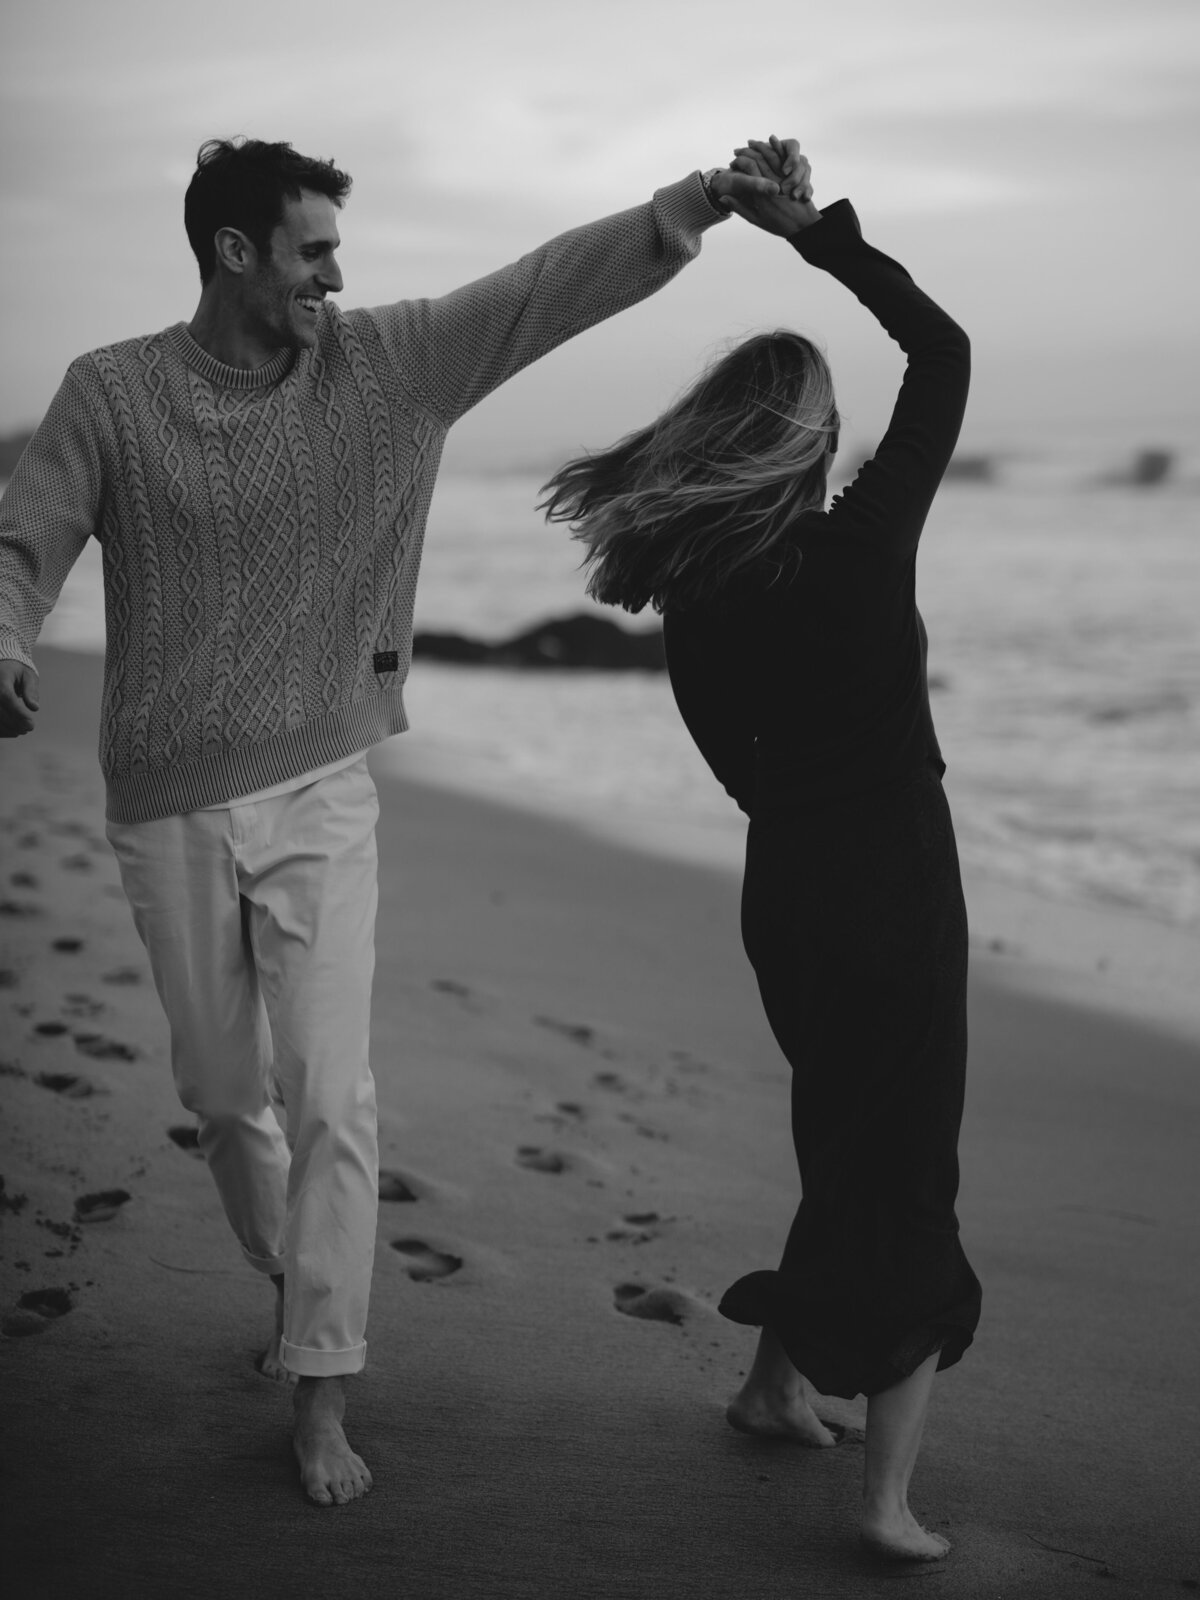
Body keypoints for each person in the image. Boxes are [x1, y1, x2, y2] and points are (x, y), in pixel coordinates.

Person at [0, 134, 796, 1507]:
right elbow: (28, 538)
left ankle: (322, 1383)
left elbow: (548, 287)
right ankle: (288, 1275)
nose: (336, 273)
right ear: (235, 254)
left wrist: (698, 206)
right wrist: (8, 641)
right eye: (312, 249)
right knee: (221, 1095)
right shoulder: (113, 396)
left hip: (322, 786)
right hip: (167, 799)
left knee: (331, 1095)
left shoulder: (391, 366)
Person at [541, 138, 982, 1563]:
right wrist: (814, 236)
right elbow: (946, 349)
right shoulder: (862, 551)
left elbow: (732, 767)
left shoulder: (695, 590)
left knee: (843, 1137)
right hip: (894, 882)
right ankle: (887, 1501)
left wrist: (802, 811)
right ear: (804, 439)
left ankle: (772, 1391)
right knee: (906, 1170)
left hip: (785, 889)